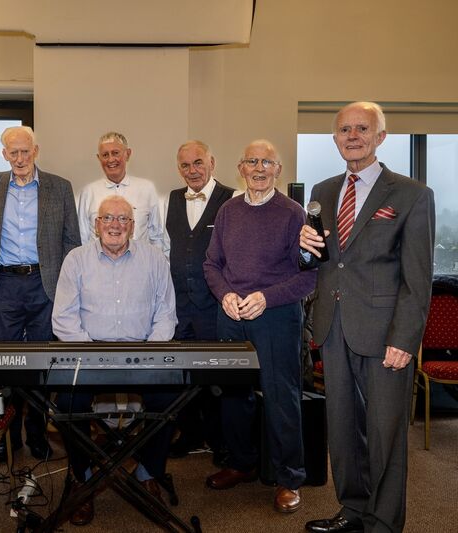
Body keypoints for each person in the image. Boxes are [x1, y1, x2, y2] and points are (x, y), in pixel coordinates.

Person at [300, 102, 435, 533]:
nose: (352, 135)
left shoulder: (412, 194)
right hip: (333, 326)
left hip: (385, 335)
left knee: (385, 435)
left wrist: (406, 339)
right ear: (335, 138)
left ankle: (383, 521)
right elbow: (319, 262)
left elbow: (418, 278)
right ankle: (354, 509)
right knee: (342, 431)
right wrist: (303, 248)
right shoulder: (322, 190)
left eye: (362, 128)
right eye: (344, 129)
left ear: (381, 136)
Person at [203, 140, 316, 514]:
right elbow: (212, 265)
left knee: (281, 398)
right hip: (232, 315)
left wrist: (266, 297)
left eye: (268, 161)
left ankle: (289, 478)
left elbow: (308, 278)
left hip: (276, 317)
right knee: (233, 395)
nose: (259, 167)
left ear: (278, 170)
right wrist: (224, 296)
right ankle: (241, 462)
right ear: (241, 166)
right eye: (252, 160)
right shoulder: (228, 211)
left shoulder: (292, 213)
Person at [52, 195, 177, 526]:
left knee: (170, 397)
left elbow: (166, 314)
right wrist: (92, 355)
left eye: (123, 219)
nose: (115, 225)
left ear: (133, 226)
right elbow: (63, 319)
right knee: (66, 403)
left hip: (143, 354)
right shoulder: (75, 260)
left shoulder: (154, 259)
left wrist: (150, 355)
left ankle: (148, 471)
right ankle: (84, 476)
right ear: (96, 224)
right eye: (108, 218)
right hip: (89, 354)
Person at [0, 126, 81, 463]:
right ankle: (7, 438)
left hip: (44, 284)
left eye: (25, 151)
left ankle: (37, 435)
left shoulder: (59, 186)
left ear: (35, 151)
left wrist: (67, 289)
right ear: (4, 154)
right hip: (3, 285)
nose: (20, 158)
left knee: (40, 365)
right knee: (5, 365)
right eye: (13, 152)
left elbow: (71, 241)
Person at [164, 140, 235, 460]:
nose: (191, 170)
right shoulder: (172, 199)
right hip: (179, 306)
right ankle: (190, 434)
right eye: (185, 165)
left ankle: (221, 441)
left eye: (197, 163)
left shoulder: (232, 199)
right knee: (182, 375)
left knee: (216, 377)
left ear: (212, 162)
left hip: (214, 306)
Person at [77, 131, 166, 252]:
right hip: (98, 268)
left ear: (127, 154)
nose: (110, 159)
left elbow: (156, 237)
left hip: (139, 267)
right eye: (105, 155)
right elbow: (83, 239)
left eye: (115, 153)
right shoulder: (88, 192)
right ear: (99, 158)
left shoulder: (147, 189)